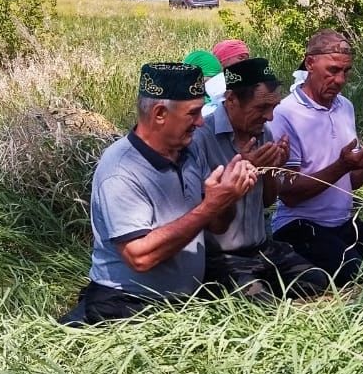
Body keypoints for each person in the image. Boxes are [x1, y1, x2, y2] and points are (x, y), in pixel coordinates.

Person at [60, 62, 258, 326]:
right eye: (193, 113)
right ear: (160, 113)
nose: (200, 122)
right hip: (127, 302)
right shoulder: (120, 170)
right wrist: (210, 206)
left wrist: (227, 197)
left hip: (180, 302)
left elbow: (217, 225)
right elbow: (140, 257)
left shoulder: (189, 152)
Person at [188, 57, 330, 299]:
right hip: (221, 256)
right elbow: (206, 216)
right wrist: (244, 169)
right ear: (231, 99)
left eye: (273, 106)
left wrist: (273, 169)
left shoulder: (263, 132)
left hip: (262, 247)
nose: (270, 116)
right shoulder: (201, 139)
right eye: (261, 108)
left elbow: (266, 201)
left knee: (319, 282)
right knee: (262, 304)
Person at [269, 29, 363, 283]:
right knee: (360, 275)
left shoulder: (345, 107)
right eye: (332, 70)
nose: (340, 80)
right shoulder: (285, 113)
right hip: (299, 225)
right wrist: (342, 165)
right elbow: (290, 194)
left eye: (346, 71)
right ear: (310, 63)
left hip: (341, 222)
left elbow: (348, 183)